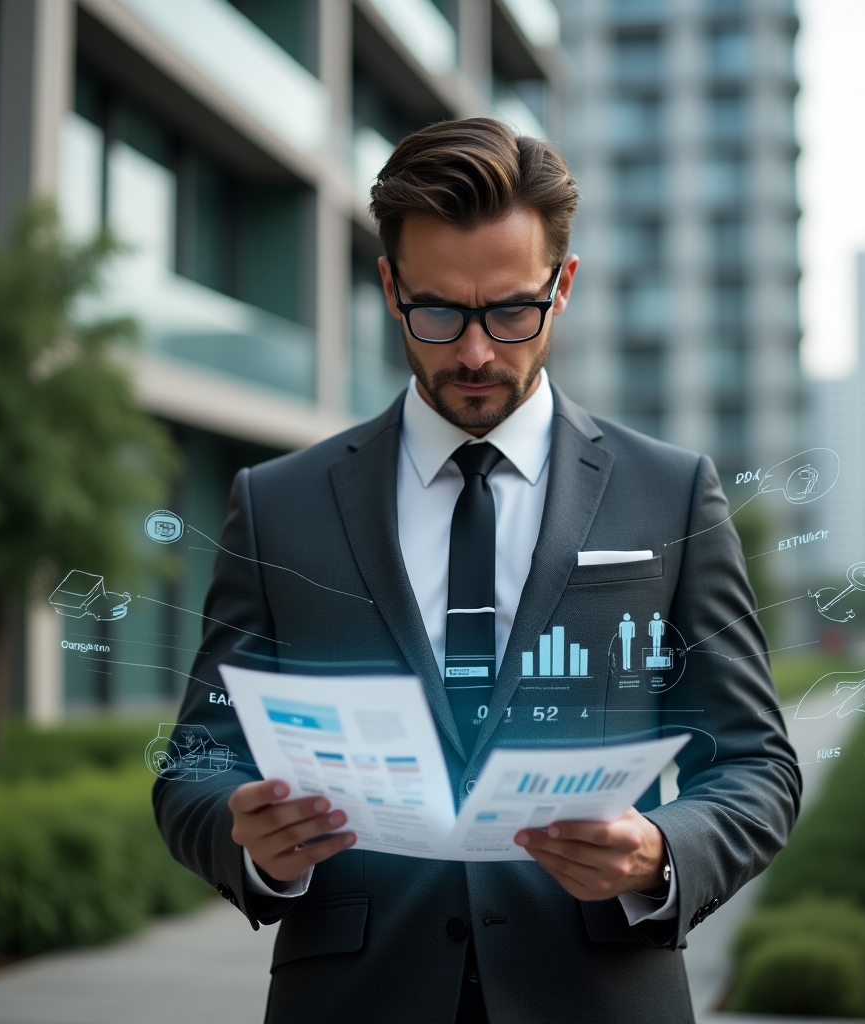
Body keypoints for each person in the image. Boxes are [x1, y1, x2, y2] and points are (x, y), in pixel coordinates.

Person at [154, 118, 800, 1024]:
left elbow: (757, 763)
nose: (474, 352)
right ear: (388, 287)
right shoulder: (276, 503)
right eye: (438, 312)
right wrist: (250, 838)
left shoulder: (672, 494)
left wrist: (661, 850)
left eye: (510, 310)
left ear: (563, 286)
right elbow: (196, 759)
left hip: (599, 992)